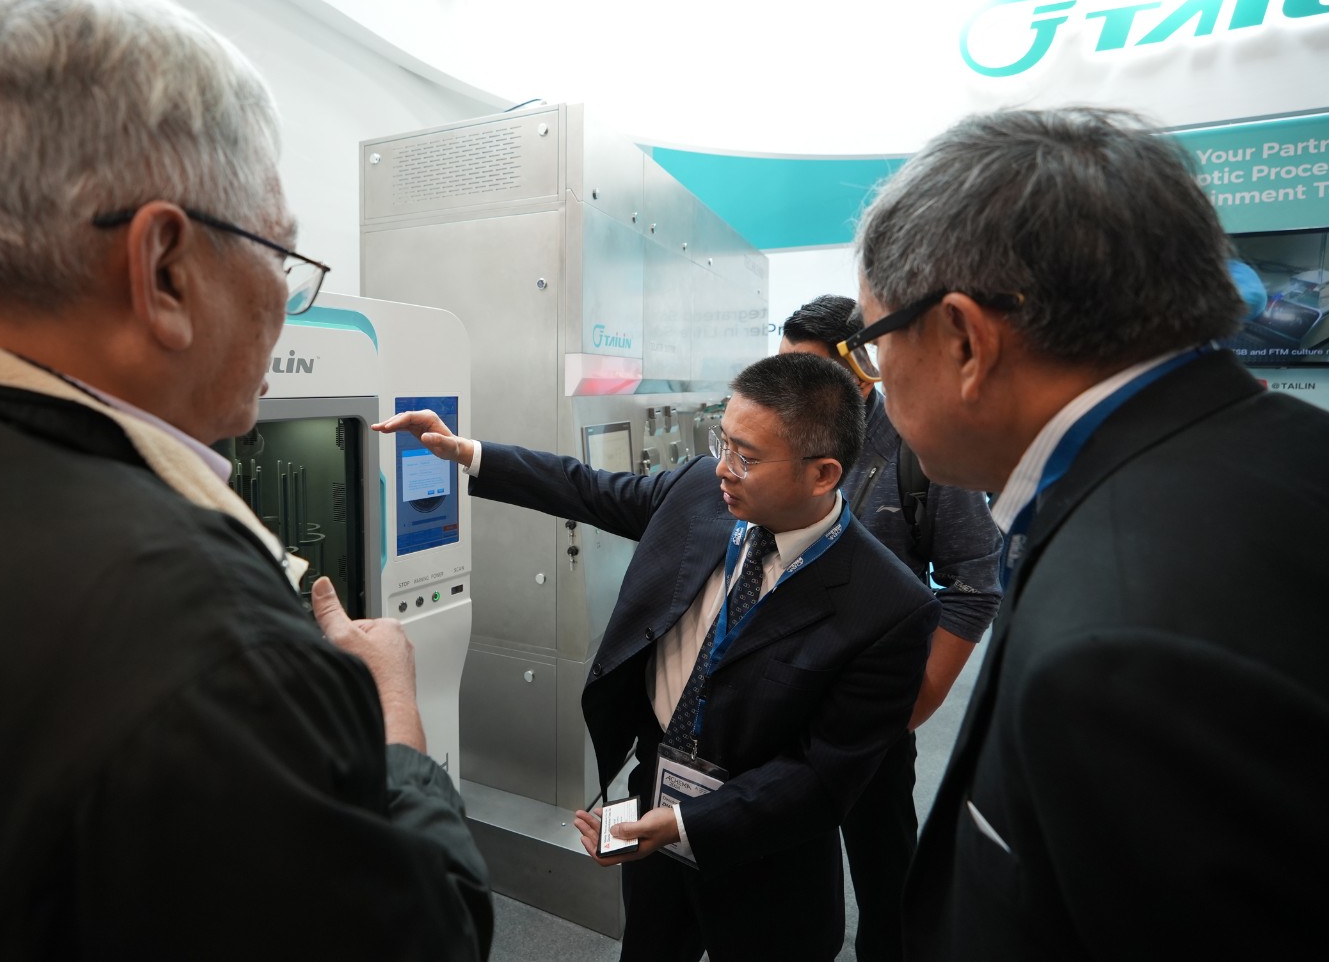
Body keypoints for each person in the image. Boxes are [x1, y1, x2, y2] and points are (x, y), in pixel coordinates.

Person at [0, 0, 492, 959]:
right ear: (165, 266)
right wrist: (397, 730)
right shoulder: (209, 647)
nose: (282, 301)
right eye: (279, 254)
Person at [849, 107, 1329, 960]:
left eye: (873, 340)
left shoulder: (1123, 650)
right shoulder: (1288, 450)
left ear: (964, 338)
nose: (875, 375)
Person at [377, 354, 940, 961]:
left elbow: (821, 778)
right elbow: (587, 487)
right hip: (654, 800)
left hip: (767, 860)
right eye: (724, 443)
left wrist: (687, 826)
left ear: (823, 473)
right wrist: (466, 453)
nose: (723, 468)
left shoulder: (888, 607)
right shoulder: (700, 490)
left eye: (746, 458)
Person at [779, 295, 1001, 962]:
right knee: (787, 863)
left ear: (860, 372)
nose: (789, 387)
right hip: (781, 700)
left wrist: (916, 703)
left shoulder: (916, 451)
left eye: (808, 371)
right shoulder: (781, 437)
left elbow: (973, 582)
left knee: (885, 873)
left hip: (871, 707)